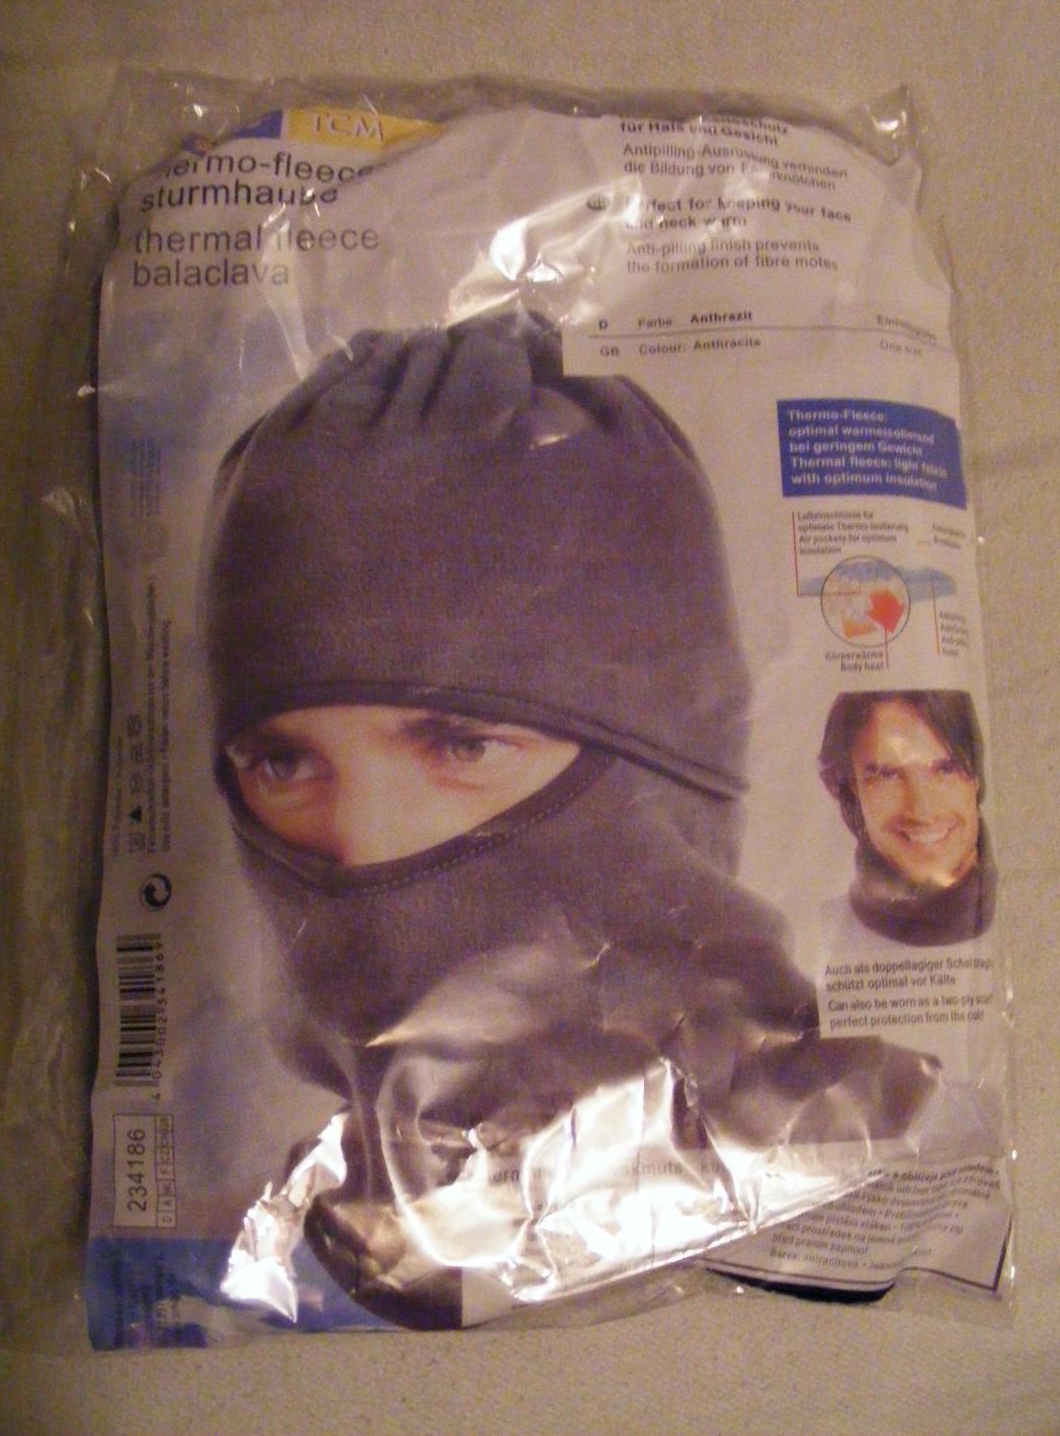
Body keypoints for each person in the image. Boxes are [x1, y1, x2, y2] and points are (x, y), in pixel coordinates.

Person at [203, 309, 940, 1328]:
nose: (360, 840)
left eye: (463, 745)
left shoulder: (873, 1142)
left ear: (670, 767)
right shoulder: (275, 1230)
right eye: (283, 762)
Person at [818, 690, 994, 947]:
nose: (922, 812)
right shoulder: (821, 932)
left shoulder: (1023, 902)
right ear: (852, 787)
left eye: (946, 769)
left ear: (977, 778)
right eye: (887, 774)